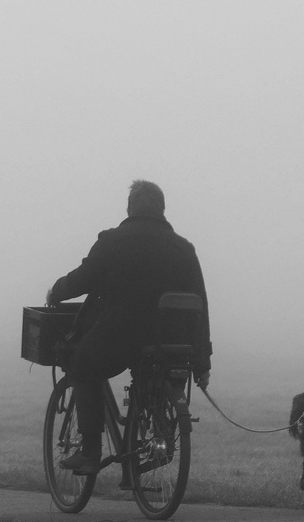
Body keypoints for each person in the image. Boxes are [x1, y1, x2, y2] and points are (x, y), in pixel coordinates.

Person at [45, 179, 208, 481]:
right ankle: (157, 432)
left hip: (119, 337)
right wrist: (202, 362)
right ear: (161, 209)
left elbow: (83, 278)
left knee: (82, 364)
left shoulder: (112, 241)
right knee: (154, 374)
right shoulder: (184, 249)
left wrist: (57, 291)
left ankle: (90, 451)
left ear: (130, 209)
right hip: (169, 340)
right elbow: (200, 306)